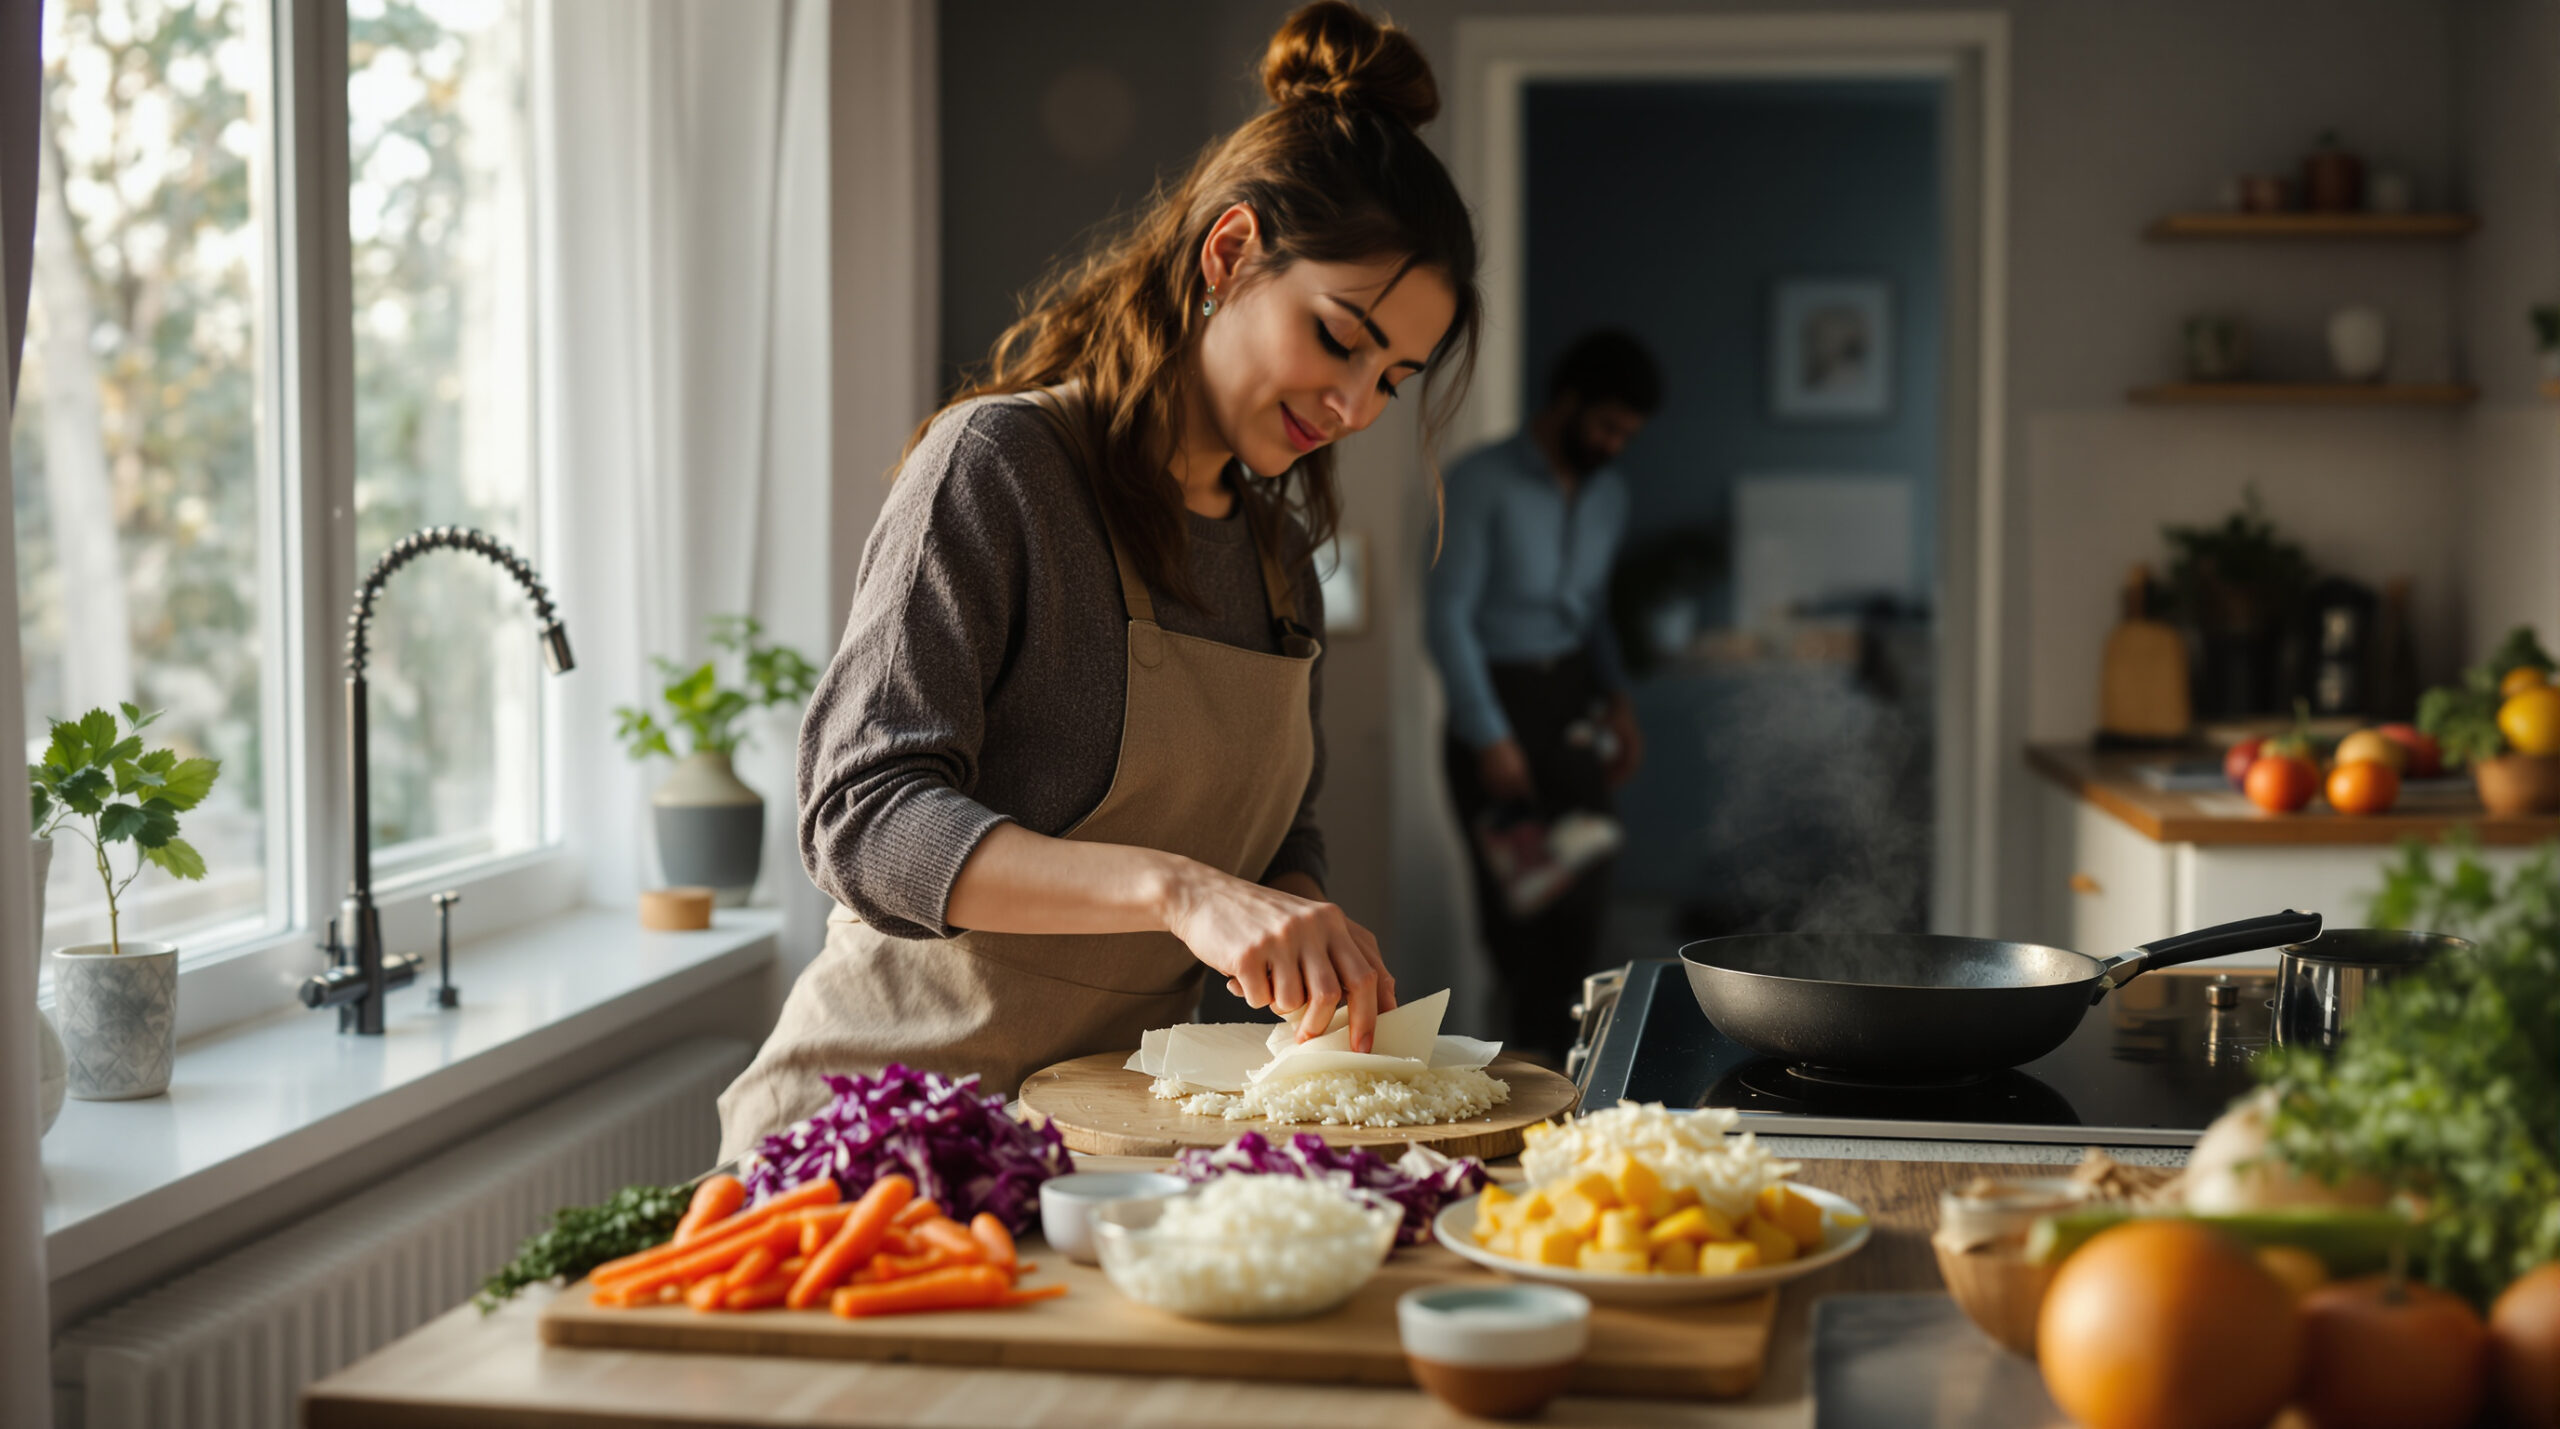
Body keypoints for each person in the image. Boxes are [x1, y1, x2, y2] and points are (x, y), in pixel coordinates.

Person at [717, 2, 1481, 1161]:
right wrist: (1179, 892)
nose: (1354, 407)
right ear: (1228, 256)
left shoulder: (1276, 560)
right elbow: (860, 817)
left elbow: (1282, 831)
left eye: (1394, 377)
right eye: (1338, 338)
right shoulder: (1001, 466)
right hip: (873, 1139)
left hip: (1101, 1150)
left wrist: (1302, 924)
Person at [1424, 331, 1659, 1061]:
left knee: (1586, 899)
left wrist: (1618, 700)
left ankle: (1574, 1077)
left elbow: (1590, 615)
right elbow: (1447, 615)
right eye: (1607, 426)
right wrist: (1489, 734)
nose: (1615, 444)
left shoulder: (1609, 495)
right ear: (1567, 402)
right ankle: (1521, 1081)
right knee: (1516, 921)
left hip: (1573, 707)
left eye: (1628, 434)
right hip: (1494, 704)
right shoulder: (1478, 482)